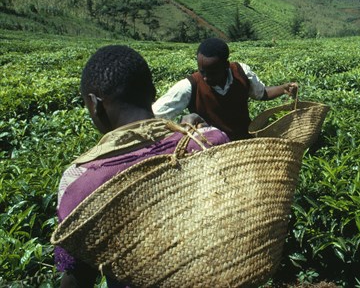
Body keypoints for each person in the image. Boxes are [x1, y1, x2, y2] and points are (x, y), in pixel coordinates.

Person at [55, 45, 229, 288]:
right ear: (153, 92)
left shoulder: (80, 183)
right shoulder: (210, 140)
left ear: (95, 104)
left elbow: (78, 277)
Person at [153, 37, 298, 140]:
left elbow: (261, 93)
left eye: (212, 73)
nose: (206, 78)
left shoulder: (242, 73)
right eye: (202, 72)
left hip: (245, 140)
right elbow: (155, 117)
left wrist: (283, 88)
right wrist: (181, 128)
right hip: (212, 148)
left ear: (226, 65)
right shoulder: (189, 86)